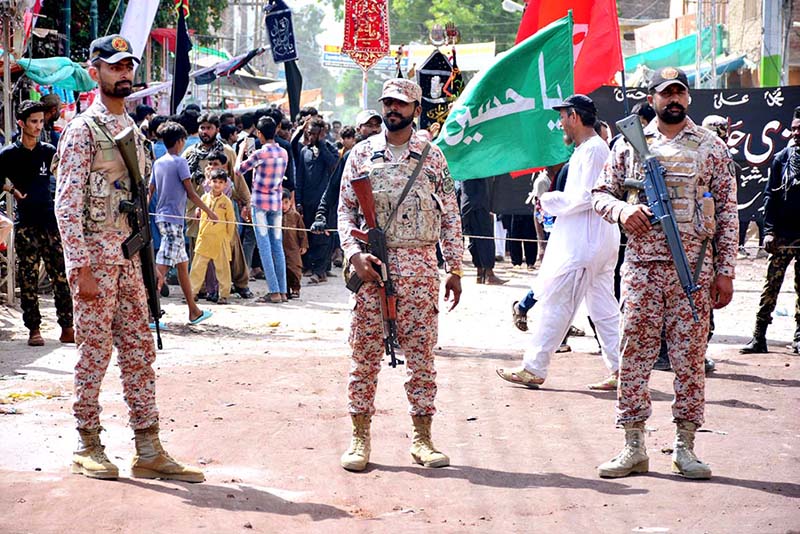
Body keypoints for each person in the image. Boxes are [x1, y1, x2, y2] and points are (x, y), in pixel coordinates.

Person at [54, 34, 204, 482]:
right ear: (95, 70)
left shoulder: (136, 133)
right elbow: (66, 204)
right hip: (95, 266)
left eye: (128, 66)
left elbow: (141, 201)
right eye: (115, 66)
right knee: (94, 354)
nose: (124, 73)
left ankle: (148, 446)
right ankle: (87, 442)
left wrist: (147, 266)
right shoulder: (83, 130)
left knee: (139, 353)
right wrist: (78, 268)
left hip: (129, 261)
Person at [592, 67, 738, 479]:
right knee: (634, 355)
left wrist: (724, 271)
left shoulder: (712, 147)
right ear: (652, 98)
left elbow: (727, 213)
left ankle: (685, 446)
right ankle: (633, 445)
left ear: (688, 98)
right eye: (665, 93)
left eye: (680, 93)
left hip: (692, 271)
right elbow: (600, 194)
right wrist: (624, 211)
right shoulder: (627, 146)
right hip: (640, 270)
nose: (673, 99)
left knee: (689, 359)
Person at [337, 78, 463, 472]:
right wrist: (354, 254)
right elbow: (345, 211)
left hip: (421, 267)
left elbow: (451, 214)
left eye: (401, 104)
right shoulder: (360, 154)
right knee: (365, 355)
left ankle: (423, 439)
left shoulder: (433, 157)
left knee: (422, 357)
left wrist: (455, 267)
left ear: (415, 108)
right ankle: (360, 438)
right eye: (388, 103)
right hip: (373, 268)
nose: (393, 110)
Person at [496, 94, 621, 392]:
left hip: (584, 247)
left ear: (574, 117)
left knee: (557, 305)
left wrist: (547, 200)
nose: (560, 123)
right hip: (594, 244)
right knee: (604, 311)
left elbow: (584, 197)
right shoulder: (589, 150)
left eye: (563, 117)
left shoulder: (592, 151)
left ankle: (534, 368)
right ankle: (622, 369)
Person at [0, 100, 73, 346]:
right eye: (33, 121)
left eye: (41, 121)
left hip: (51, 222)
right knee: (28, 278)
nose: (38, 126)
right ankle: (34, 329)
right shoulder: (8, 154)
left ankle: (67, 326)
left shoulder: (49, 151)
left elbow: (65, 177)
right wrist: (12, 190)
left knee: (60, 275)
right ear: (21, 123)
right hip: (26, 225)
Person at [740, 114, 800, 354]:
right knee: (770, 288)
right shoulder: (781, 159)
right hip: (782, 237)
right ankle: (758, 337)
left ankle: (799, 337)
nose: (796, 133)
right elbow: (770, 197)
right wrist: (769, 232)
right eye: (794, 129)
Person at [149, 121, 216, 323]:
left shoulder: (158, 162)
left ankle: (193, 310)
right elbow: (191, 193)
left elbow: (150, 190)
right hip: (172, 220)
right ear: (179, 142)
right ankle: (149, 313)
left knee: (181, 265)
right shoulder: (179, 162)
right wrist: (209, 212)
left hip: (164, 219)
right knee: (161, 267)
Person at [184, 112, 254, 299]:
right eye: (202, 128)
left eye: (209, 128)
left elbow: (237, 180)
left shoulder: (227, 152)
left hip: (223, 210)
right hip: (197, 209)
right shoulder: (190, 153)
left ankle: (240, 284)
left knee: (231, 247)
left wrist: (247, 202)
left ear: (217, 129)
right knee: (198, 251)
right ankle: (201, 289)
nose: (205, 131)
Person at [237, 116, 288, 303]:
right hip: (276, 203)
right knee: (277, 246)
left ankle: (274, 291)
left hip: (259, 204)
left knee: (265, 247)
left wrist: (242, 150)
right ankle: (282, 291)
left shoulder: (259, 154)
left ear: (259, 134)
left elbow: (238, 170)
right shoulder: (283, 153)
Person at [296, 116, 339, 284]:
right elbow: (299, 177)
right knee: (309, 236)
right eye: (309, 133)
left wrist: (321, 144)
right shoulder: (304, 151)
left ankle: (320, 271)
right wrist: (298, 200)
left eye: (314, 134)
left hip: (324, 203)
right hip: (307, 201)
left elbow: (333, 164)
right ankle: (312, 267)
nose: (310, 137)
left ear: (322, 133)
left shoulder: (331, 149)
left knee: (323, 237)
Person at [190, 169, 236, 304]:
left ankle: (224, 294)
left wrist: (228, 238)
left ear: (225, 185)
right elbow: (197, 213)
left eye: (220, 182)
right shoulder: (203, 198)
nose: (217, 185)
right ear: (209, 182)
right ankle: (193, 292)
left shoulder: (227, 202)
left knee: (223, 269)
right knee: (197, 267)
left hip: (220, 239)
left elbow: (231, 222)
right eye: (214, 181)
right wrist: (197, 212)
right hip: (204, 238)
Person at [281, 189, 307, 299]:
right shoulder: (275, 216)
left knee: (295, 269)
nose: (283, 206)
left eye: (286, 202)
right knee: (284, 269)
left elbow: (302, 232)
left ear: (290, 202)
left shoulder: (295, 216)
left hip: (293, 248)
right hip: (281, 248)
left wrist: (303, 245)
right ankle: (285, 290)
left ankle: (296, 289)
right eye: (280, 202)